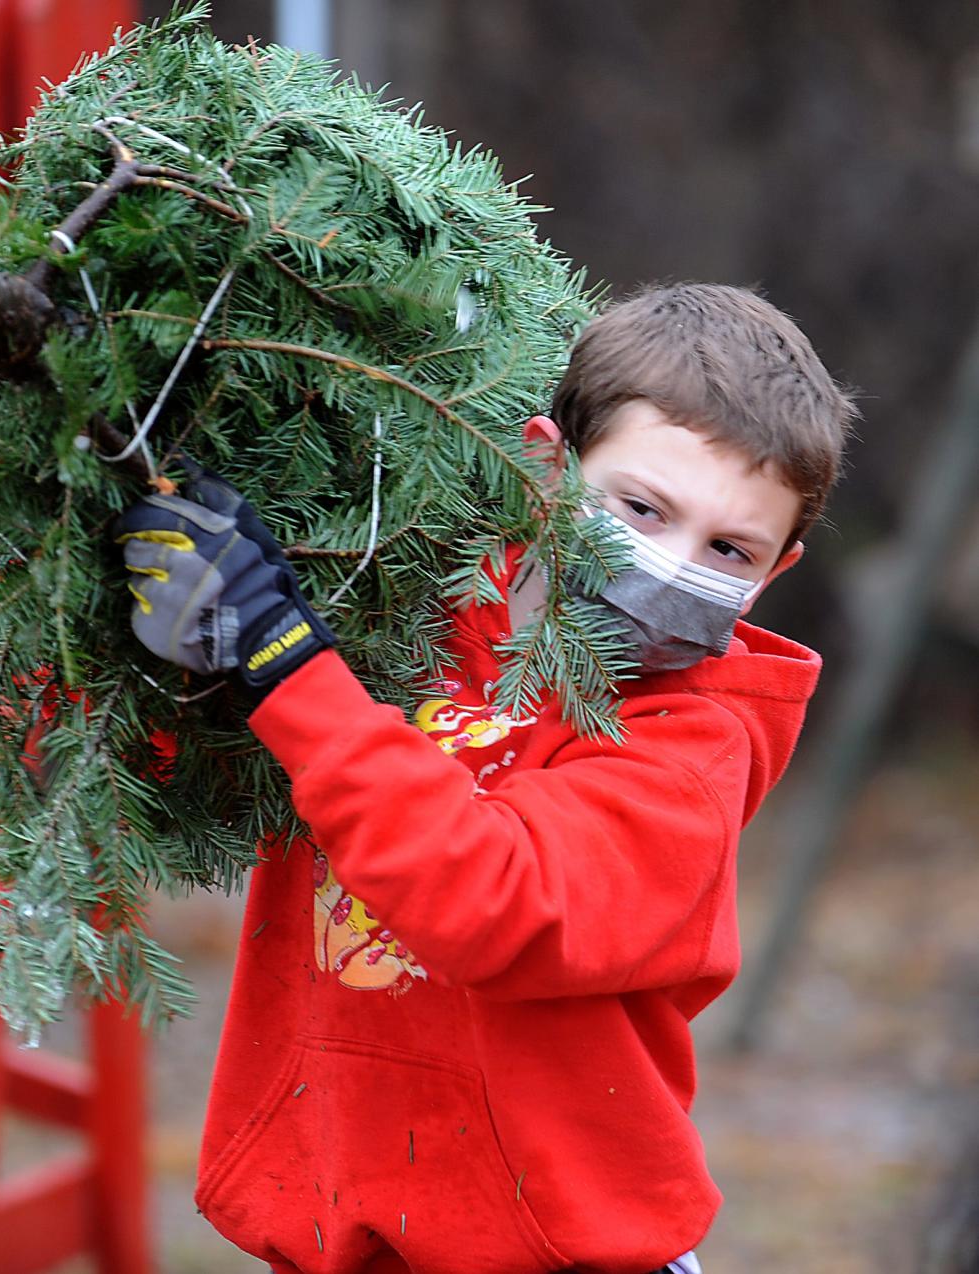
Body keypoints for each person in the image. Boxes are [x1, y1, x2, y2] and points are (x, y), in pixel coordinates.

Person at [116, 283, 856, 1274]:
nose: (669, 564)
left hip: (565, 1254)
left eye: (729, 548)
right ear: (549, 465)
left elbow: (497, 901)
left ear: (776, 570)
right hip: (343, 1232)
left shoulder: (692, 748)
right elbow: (176, 773)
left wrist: (282, 656)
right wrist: (163, 615)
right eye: (640, 507)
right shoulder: (407, 620)